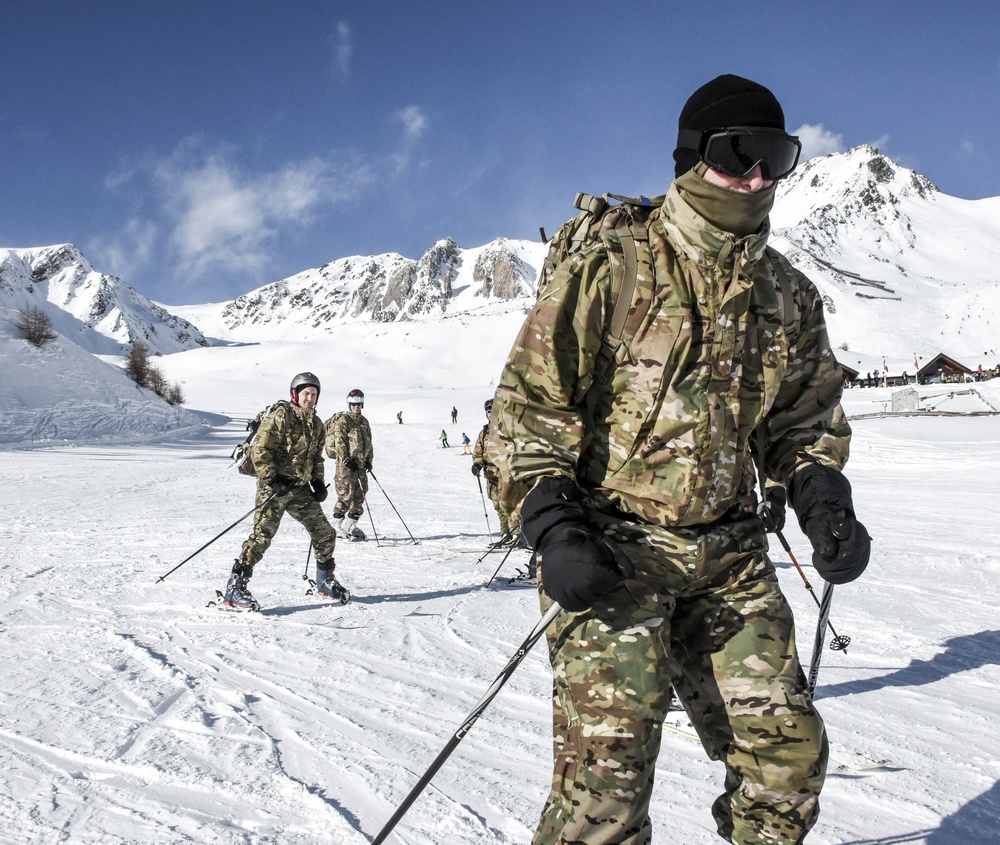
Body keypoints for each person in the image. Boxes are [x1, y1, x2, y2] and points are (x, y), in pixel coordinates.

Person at [490, 74, 871, 845]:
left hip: (730, 555)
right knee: (607, 786)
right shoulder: (611, 267)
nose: (757, 177)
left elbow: (803, 420)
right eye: (739, 153)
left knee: (787, 761)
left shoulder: (787, 295)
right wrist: (553, 526)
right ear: (693, 158)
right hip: (615, 548)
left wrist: (822, 493)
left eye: (776, 156)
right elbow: (525, 413)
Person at [222, 372, 347, 609]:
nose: (310, 398)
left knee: (325, 533)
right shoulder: (282, 416)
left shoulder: (317, 424)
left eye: (313, 394)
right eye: (305, 394)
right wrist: (272, 479)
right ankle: (235, 588)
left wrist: (318, 483)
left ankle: (324, 581)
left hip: (299, 490)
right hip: (274, 489)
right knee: (262, 537)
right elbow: (260, 449)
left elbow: (317, 458)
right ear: (295, 394)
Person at [325, 389, 374, 542]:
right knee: (345, 495)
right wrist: (346, 460)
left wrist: (368, 461)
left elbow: (369, 443)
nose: (356, 407)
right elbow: (339, 441)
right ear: (349, 404)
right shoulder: (344, 421)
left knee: (360, 496)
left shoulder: (364, 421)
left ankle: (351, 527)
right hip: (345, 466)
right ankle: (338, 527)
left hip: (359, 466)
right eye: (353, 404)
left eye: (359, 403)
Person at [472, 399, 514, 542]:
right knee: (497, 506)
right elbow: (478, 452)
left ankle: (517, 534)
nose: (491, 414)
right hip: (490, 474)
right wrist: (477, 464)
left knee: (508, 503)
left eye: (493, 411)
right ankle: (505, 535)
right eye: (489, 412)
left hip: (505, 473)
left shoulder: (506, 429)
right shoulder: (484, 432)